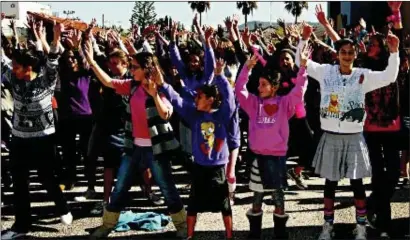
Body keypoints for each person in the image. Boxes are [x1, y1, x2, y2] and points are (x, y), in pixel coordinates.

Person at [295, 18, 400, 240]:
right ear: (337, 54)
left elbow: (390, 76)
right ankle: (328, 226)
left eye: (351, 52)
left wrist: (394, 53)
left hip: (354, 137)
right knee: (330, 184)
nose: (347, 55)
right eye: (343, 51)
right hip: (331, 136)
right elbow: (302, 62)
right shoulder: (326, 72)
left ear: (354, 54)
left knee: (357, 184)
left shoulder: (362, 76)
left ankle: (360, 227)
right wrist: (303, 39)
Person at [82, 38, 187, 239]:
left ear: (146, 69)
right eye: (131, 66)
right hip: (134, 147)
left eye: (135, 67)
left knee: (167, 186)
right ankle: (107, 224)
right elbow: (108, 81)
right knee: (120, 185)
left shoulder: (160, 88)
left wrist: (154, 95)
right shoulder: (131, 86)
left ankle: (182, 225)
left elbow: (166, 114)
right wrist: (92, 61)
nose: (131, 70)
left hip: (155, 149)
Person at [0, 21, 73, 240]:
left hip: (43, 139)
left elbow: (52, 60)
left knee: (47, 178)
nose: (13, 70)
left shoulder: (46, 81)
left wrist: (56, 39)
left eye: (17, 67)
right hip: (19, 139)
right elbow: (2, 60)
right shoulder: (12, 78)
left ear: (28, 67)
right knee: (20, 181)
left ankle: (62, 208)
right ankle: (22, 225)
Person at [236, 43, 310, 238]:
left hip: (277, 158)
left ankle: (280, 233)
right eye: (258, 84)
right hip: (257, 157)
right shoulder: (253, 104)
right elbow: (239, 89)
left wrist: (303, 67)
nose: (259, 88)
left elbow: (299, 90)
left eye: (263, 85)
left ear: (275, 87)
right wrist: (247, 68)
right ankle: (255, 233)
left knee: (278, 197)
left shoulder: (285, 103)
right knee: (257, 196)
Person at [158, 58, 236, 240]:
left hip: (218, 168)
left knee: (224, 204)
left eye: (199, 96)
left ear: (210, 99)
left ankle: (230, 236)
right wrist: (163, 84)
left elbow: (230, 100)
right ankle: (190, 236)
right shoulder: (194, 116)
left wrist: (219, 76)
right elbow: (177, 100)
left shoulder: (223, 115)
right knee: (193, 204)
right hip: (199, 166)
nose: (195, 99)